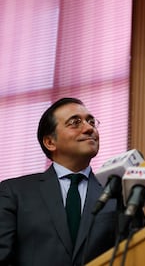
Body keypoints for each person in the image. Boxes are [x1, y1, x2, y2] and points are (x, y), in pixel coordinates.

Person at [0, 98, 118, 265]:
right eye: (75, 122)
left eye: (91, 122)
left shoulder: (117, 196)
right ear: (50, 142)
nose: (89, 128)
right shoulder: (14, 192)